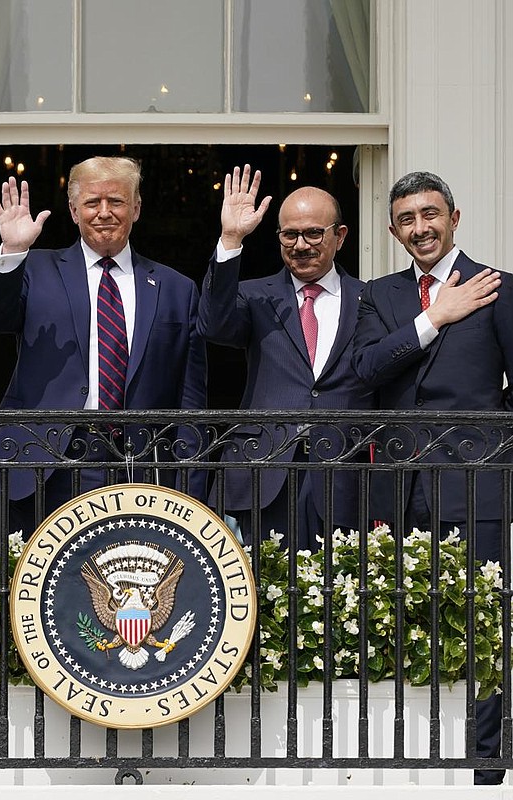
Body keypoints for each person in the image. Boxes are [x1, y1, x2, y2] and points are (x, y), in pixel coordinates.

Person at [352, 170, 513, 785]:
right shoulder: (381, 295)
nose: (420, 228)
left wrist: (493, 435)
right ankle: (408, 759)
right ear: (393, 230)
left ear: (455, 217)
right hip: (397, 482)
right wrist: (435, 317)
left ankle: (485, 764)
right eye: (407, 220)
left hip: (476, 480)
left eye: (430, 215)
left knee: (481, 620)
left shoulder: (497, 287)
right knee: (399, 614)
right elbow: (366, 368)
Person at [0, 156, 207, 536]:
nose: (104, 213)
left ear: (136, 208)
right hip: (46, 465)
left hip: (140, 468)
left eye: (116, 202)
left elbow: (190, 398)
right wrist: (12, 251)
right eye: (92, 203)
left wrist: (191, 487)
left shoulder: (176, 288)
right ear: (73, 210)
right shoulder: (33, 269)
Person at [198, 165, 374, 551]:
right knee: (261, 594)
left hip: (342, 472)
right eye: (290, 234)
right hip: (264, 470)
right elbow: (213, 326)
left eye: (313, 233)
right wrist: (231, 238)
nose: (301, 245)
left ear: (340, 236)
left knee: (337, 597)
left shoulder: (371, 300)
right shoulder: (255, 295)